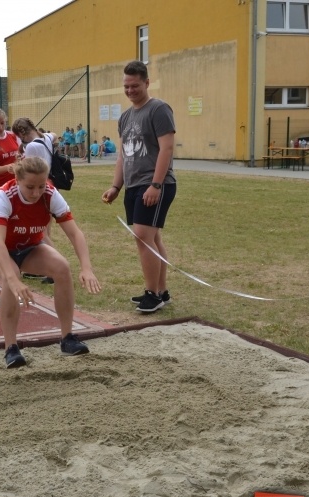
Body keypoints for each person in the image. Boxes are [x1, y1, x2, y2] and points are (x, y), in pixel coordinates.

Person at [0, 157, 101, 368]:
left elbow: (75, 233)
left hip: (30, 248)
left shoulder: (50, 195)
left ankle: (67, 338)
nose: (36, 193)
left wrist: (87, 268)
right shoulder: (4, 196)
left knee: (62, 267)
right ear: (17, 180)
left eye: (41, 186)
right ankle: (11, 348)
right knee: (13, 276)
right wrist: (12, 279)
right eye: (29, 187)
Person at [101, 60, 177, 314]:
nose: (130, 90)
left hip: (155, 183)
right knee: (151, 237)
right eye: (126, 86)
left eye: (135, 85)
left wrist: (156, 184)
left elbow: (166, 148)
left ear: (146, 82)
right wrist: (116, 186)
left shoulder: (158, 109)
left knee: (143, 238)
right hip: (133, 185)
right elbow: (123, 155)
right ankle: (161, 291)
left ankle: (152, 293)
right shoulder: (125, 117)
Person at [12, 117, 59, 284]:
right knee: (45, 229)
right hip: (49, 184)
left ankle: (56, 268)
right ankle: (45, 267)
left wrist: (19, 159)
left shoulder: (31, 146)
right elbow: (54, 135)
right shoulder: (45, 138)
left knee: (41, 232)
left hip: (38, 187)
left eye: (19, 136)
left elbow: (27, 170)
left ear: (22, 133)